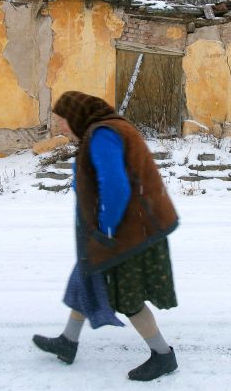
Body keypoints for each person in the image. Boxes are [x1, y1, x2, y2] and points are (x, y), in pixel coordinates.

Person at [32, 90, 180, 381]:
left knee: (128, 297)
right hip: (128, 227)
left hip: (128, 231)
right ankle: (68, 341)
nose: (61, 126)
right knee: (87, 276)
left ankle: (163, 355)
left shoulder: (103, 135)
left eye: (63, 120)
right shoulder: (102, 131)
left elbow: (115, 187)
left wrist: (103, 231)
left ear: (76, 116)